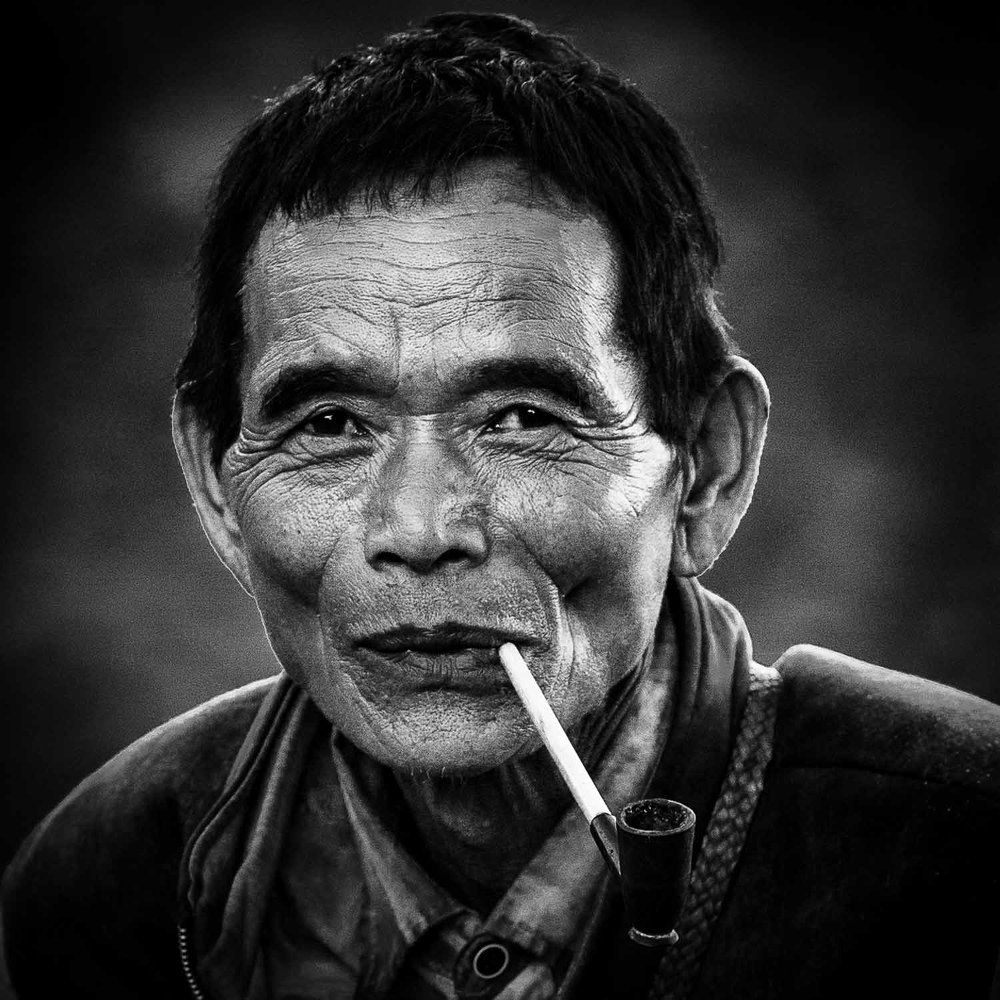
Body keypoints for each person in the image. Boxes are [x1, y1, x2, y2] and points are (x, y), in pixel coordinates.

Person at [2, 12, 998, 999]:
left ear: (706, 464)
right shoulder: (115, 881)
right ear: (217, 479)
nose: (421, 529)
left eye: (521, 415)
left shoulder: (956, 851)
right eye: (330, 425)